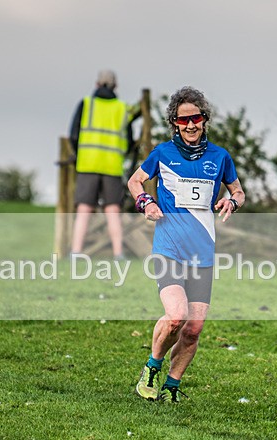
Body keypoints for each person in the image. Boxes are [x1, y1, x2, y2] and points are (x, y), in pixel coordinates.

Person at [127, 86, 245, 402]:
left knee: (193, 329)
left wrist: (232, 201)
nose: (190, 125)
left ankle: (171, 387)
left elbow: (238, 190)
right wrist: (146, 202)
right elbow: (134, 181)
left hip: (202, 253)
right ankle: (152, 367)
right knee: (176, 316)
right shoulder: (162, 153)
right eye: (183, 120)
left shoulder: (219, 157)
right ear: (174, 123)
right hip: (169, 249)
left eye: (196, 118)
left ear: (204, 119)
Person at [69, 70, 133, 260]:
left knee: (84, 209)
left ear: (97, 84)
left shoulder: (86, 104)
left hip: (87, 163)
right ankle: (118, 253)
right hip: (112, 166)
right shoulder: (122, 108)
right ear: (116, 86)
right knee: (112, 210)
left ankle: (75, 252)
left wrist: (80, 154)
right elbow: (129, 140)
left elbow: (73, 135)